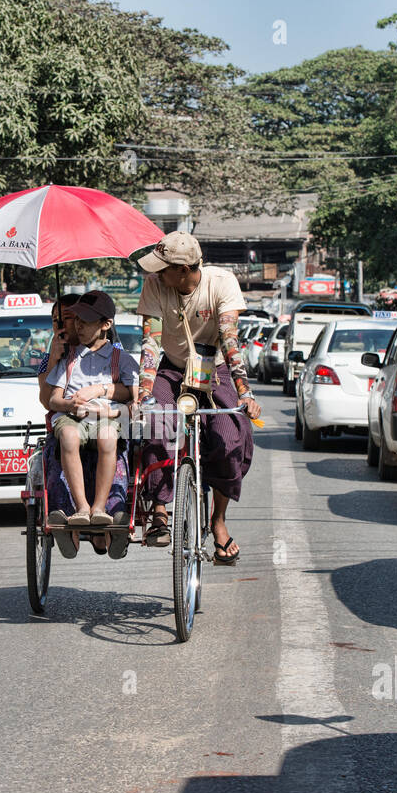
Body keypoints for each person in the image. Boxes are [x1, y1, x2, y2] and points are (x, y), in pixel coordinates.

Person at [135, 231, 262, 565]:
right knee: (156, 424)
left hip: (213, 369)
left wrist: (245, 392)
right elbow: (151, 342)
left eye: (163, 268)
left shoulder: (222, 282)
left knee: (230, 437)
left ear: (183, 269)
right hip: (172, 368)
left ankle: (217, 520)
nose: (157, 273)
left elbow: (230, 339)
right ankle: (161, 511)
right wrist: (144, 392)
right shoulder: (155, 284)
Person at [44, 291, 137, 546]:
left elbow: (133, 393)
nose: (76, 325)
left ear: (106, 324)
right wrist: (69, 403)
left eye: (83, 320)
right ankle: (80, 511)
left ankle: (101, 511)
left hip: (106, 420)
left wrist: (103, 394)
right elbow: (51, 398)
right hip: (72, 420)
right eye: (74, 320)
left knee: (109, 438)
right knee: (67, 436)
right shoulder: (65, 357)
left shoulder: (121, 359)